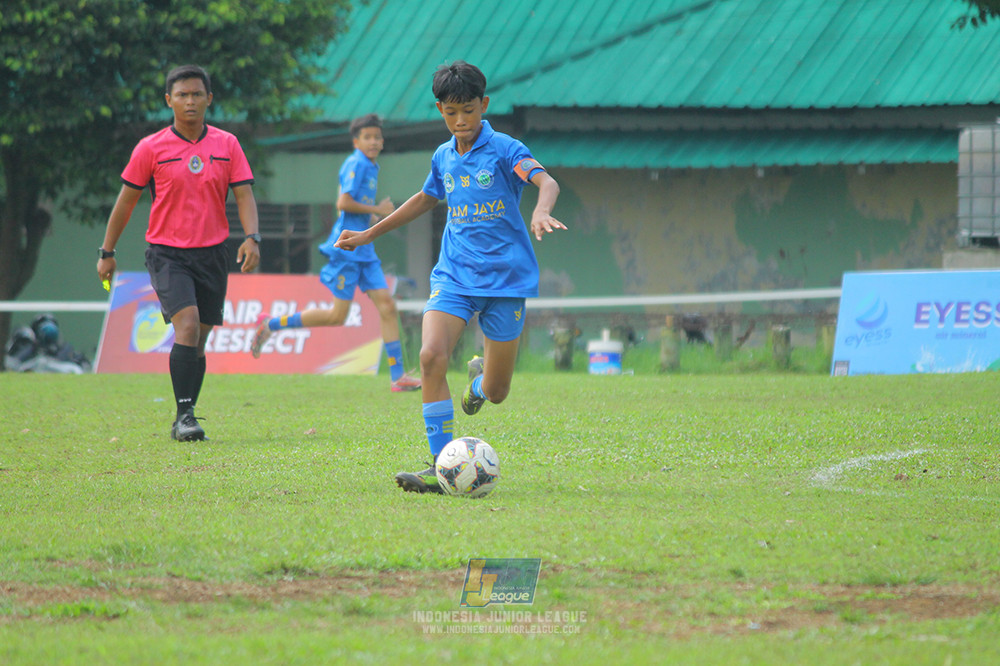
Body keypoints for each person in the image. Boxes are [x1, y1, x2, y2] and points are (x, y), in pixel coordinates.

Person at [335, 61, 567, 494]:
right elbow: (425, 198)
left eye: (468, 111)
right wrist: (369, 232)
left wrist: (541, 209)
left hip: (505, 281)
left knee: (497, 392)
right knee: (429, 356)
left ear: (484, 105)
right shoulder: (443, 156)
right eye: (450, 112)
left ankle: (477, 383)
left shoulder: (504, 149)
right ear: (440, 109)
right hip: (454, 276)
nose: (460, 122)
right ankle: (441, 467)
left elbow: (546, 181)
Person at [96, 64, 261, 442]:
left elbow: (244, 193)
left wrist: (253, 238)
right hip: (167, 253)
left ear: (209, 99)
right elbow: (125, 203)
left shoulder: (227, 144)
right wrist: (107, 251)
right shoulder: (151, 148)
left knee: (198, 338)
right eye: (182, 95)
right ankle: (186, 416)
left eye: (197, 94)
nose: (190, 101)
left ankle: (183, 415)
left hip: (213, 253)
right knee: (186, 326)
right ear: (169, 100)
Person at [249, 113, 420, 392]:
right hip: (347, 248)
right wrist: (377, 210)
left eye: (377, 136)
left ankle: (398, 376)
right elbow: (343, 202)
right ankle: (271, 324)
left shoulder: (371, 166)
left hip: (364, 246)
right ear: (356, 141)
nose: (374, 141)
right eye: (367, 137)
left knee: (388, 306)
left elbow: (354, 207)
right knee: (336, 316)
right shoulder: (356, 162)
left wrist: (372, 220)